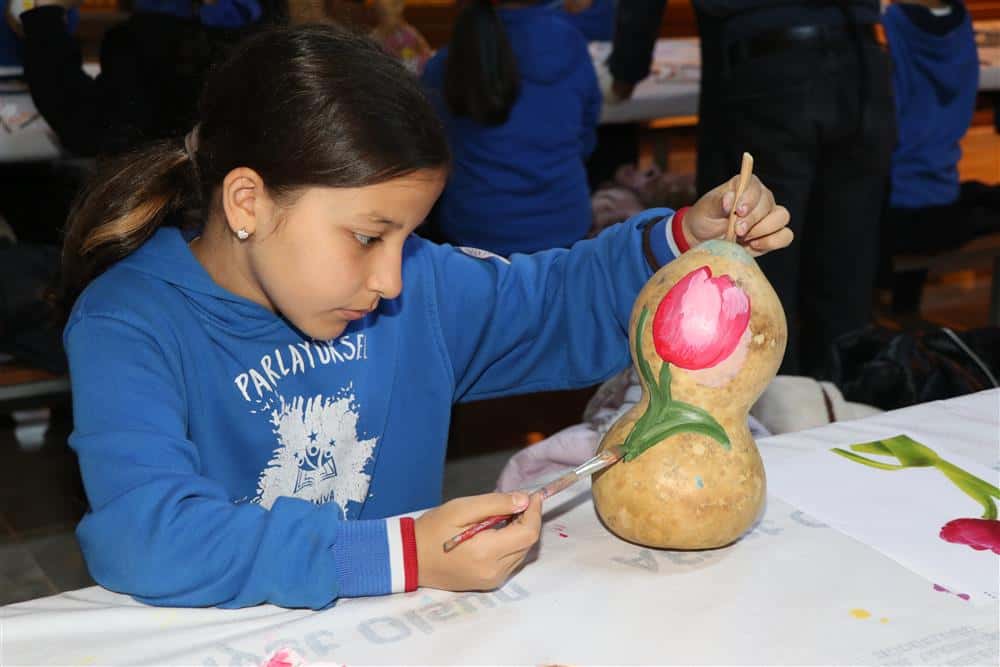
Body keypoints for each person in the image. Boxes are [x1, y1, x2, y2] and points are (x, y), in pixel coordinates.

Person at [59, 23, 791, 609]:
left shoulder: (419, 289)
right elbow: (147, 533)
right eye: (368, 235)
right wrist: (400, 553)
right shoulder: (129, 327)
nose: (389, 278)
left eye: (409, 238)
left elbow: (553, 302)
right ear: (247, 201)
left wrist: (678, 242)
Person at [692, 0, 895, 378]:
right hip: (864, 60)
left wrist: (627, 67)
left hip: (772, 68)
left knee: (765, 257)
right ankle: (837, 404)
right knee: (846, 261)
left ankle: (776, 412)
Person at [421, 0, 601, 256]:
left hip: (476, 230)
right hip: (566, 225)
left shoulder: (445, 64)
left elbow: (433, 150)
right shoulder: (572, 46)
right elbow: (586, 138)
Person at [12, 0, 261, 157]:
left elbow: (88, 128)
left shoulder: (153, 41)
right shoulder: (262, 36)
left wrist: (44, 19)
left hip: (166, 215)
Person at [880, 0, 983, 312]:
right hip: (943, 198)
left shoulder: (892, 24)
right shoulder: (962, 24)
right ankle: (905, 310)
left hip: (890, 212)